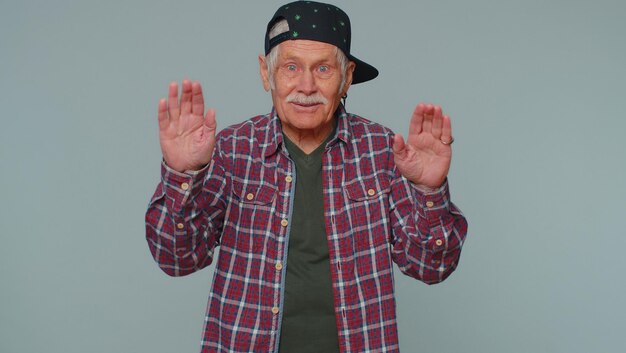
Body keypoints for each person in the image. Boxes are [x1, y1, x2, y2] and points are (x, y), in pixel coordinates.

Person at [145, 1, 468, 352]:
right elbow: (176, 259)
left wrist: (428, 189)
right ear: (266, 73)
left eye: (324, 69)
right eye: (291, 67)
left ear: (346, 77)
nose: (306, 85)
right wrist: (182, 174)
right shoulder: (230, 149)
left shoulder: (383, 151)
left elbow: (432, 267)